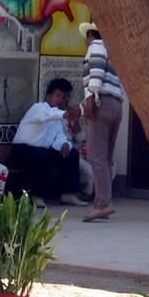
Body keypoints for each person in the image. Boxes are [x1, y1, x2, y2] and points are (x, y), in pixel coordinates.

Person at [12, 78, 88, 207]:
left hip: (42, 152)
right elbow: (48, 114)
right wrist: (66, 114)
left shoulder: (58, 118)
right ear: (48, 96)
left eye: (64, 97)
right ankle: (37, 196)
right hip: (22, 151)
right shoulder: (38, 108)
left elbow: (59, 137)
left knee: (72, 154)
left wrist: (65, 145)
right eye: (58, 96)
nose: (61, 100)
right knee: (42, 155)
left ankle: (68, 195)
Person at [79, 22, 124, 222]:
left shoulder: (96, 46)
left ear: (90, 34)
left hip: (101, 103)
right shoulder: (113, 52)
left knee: (96, 156)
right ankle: (104, 199)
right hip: (115, 104)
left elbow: (96, 74)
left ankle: (102, 203)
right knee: (105, 157)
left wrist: (90, 99)